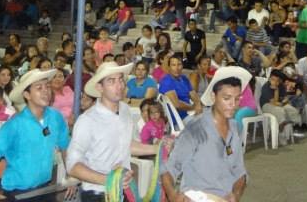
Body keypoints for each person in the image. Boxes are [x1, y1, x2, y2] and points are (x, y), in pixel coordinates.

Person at [67, 62, 161, 202]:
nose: (119, 85)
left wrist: (159, 148)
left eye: (121, 79)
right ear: (100, 87)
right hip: (97, 193)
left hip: (123, 190)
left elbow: (126, 144)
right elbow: (73, 166)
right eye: (111, 81)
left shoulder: (125, 110)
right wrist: (109, 180)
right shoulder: (87, 120)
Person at [0, 69, 70, 202]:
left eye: (47, 87)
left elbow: (65, 147)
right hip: (18, 192)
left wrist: (69, 176)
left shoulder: (56, 117)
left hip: (45, 187)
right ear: (27, 94)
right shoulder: (14, 125)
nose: (46, 91)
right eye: (39, 88)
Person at [161, 67, 249, 202]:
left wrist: (236, 194)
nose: (233, 105)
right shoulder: (196, 129)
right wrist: (173, 196)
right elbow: (169, 170)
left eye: (237, 99)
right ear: (214, 97)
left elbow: (240, 172)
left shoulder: (234, 127)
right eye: (227, 98)